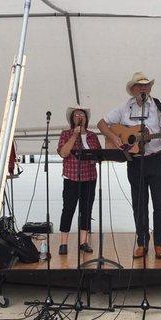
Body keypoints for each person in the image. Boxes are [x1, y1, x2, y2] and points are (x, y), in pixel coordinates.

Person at [97, 72, 161, 259]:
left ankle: (159, 244)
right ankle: (142, 242)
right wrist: (115, 137)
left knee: (160, 203)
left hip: (156, 158)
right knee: (139, 204)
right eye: (139, 86)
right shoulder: (124, 108)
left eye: (146, 85)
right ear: (133, 89)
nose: (143, 88)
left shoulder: (158, 106)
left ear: (150, 88)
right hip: (135, 162)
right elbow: (102, 123)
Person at [57, 106, 101, 255]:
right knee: (68, 209)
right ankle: (63, 243)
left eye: (82, 114)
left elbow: (98, 155)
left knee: (86, 210)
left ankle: (83, 242)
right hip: (71, 178)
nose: (79, 116)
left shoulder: (92, 136)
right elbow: (63, 153)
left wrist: (95, 158)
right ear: (72, 119)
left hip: (89, 178)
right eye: (76, 115)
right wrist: (74, 135)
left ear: (86, 119)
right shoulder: (65, 134)